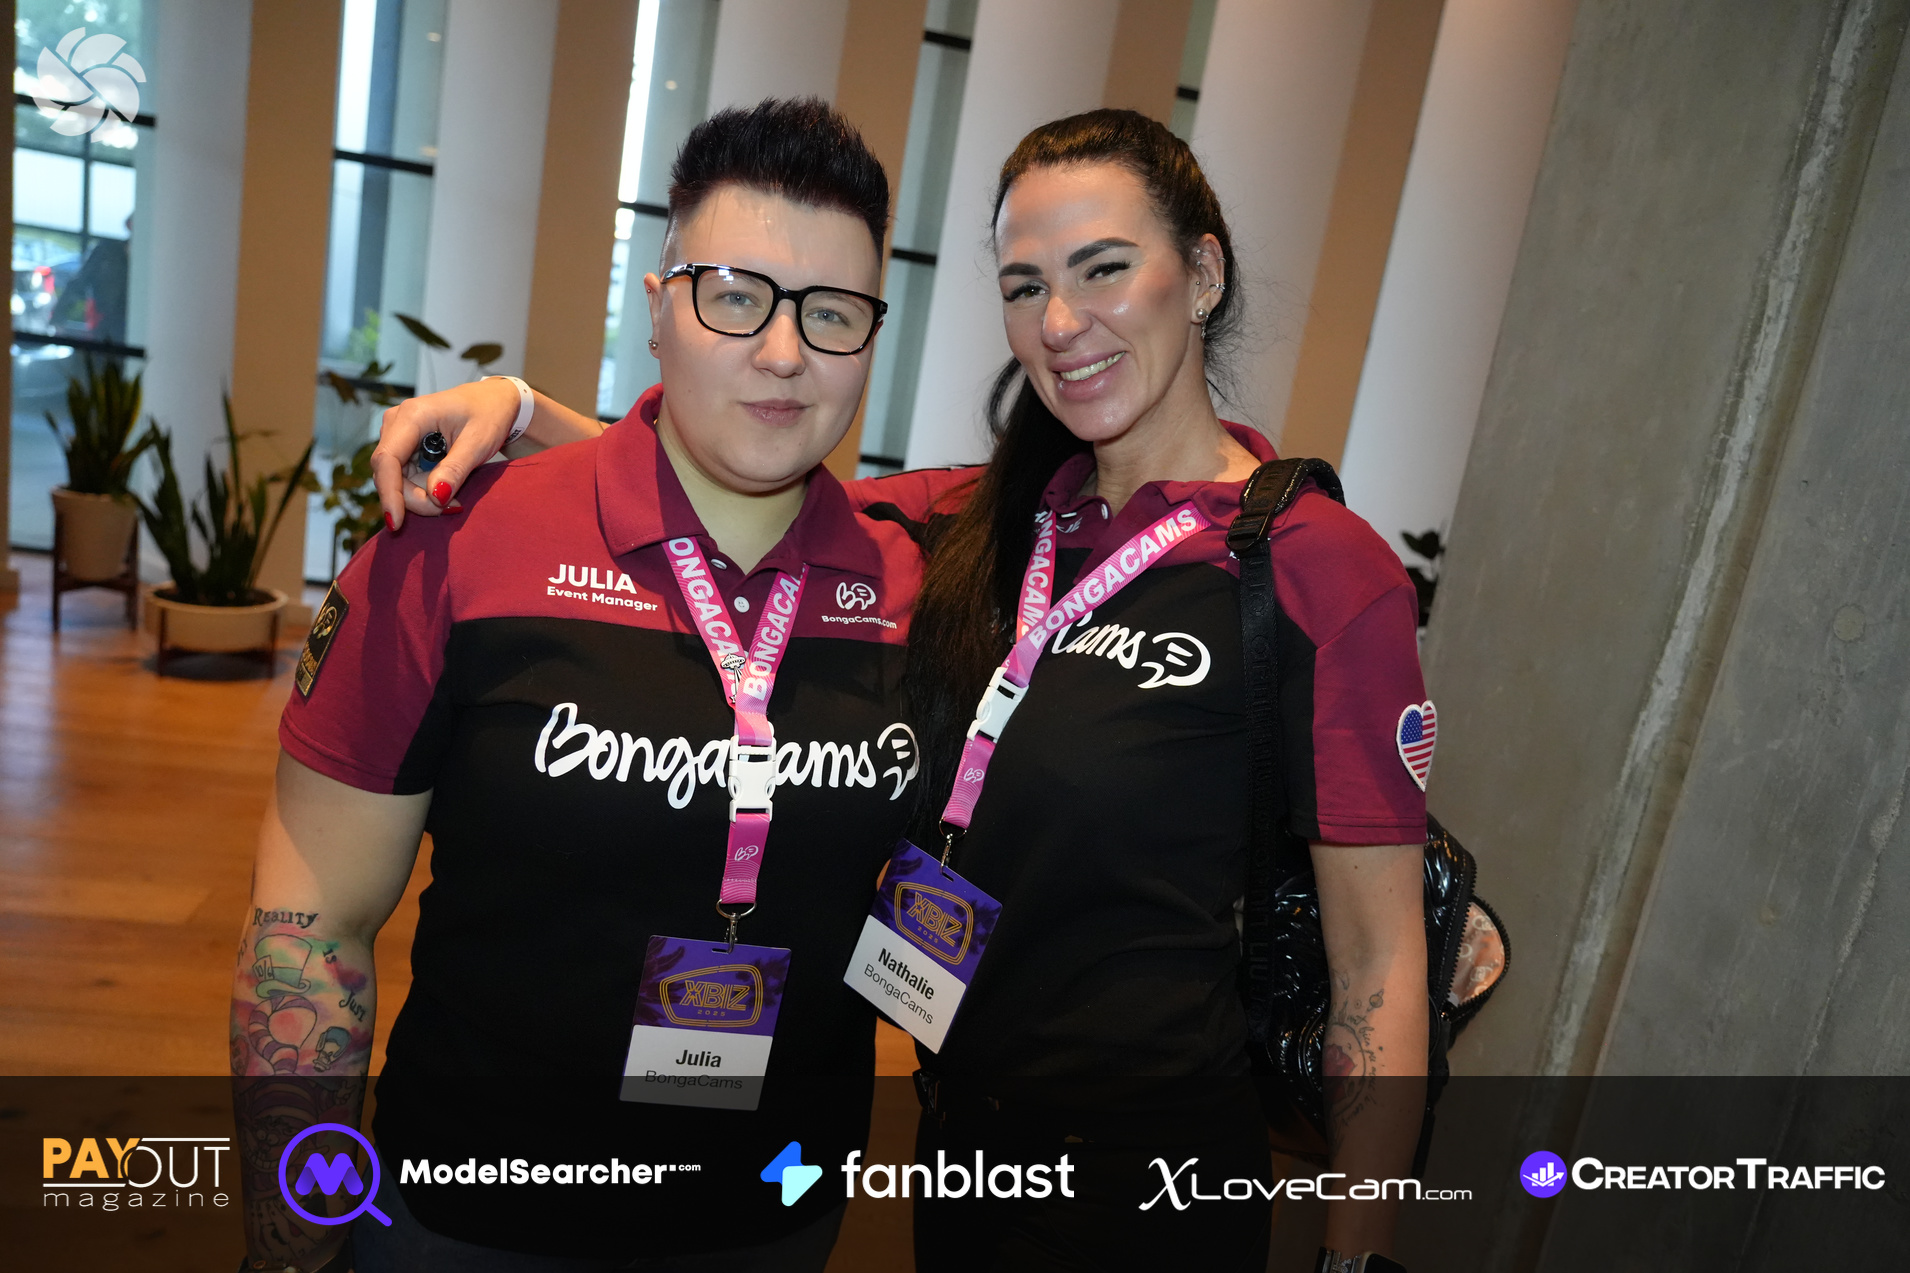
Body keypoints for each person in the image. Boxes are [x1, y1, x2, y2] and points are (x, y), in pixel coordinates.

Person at [376, 110, 1431, 1273]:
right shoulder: (983, 521)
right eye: (1024, 286)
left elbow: (1378, 965)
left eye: (1103, 269)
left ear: (1203, 275)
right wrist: (521, 411)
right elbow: (726, 467)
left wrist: (1357, 1257)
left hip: (1146, 1173)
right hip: (957, 1138)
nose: (1060, 323)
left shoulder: (1315, 568)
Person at [230, 99, 925, 1273]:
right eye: (733, 295)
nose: (783, 352)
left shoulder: (915, 576)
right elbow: (310, 922)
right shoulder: (454, 546)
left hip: (775, 1214)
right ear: (656, 309)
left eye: (832, 312)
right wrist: (289, 1242)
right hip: (469, 1219)